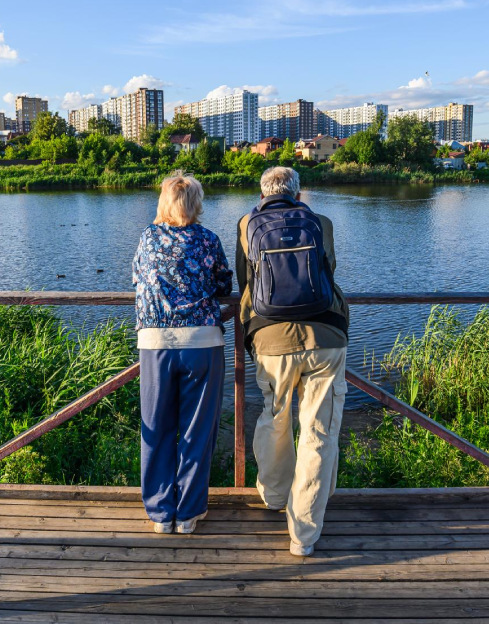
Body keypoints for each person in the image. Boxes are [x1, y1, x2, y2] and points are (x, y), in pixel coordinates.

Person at [235, 166, 349, 556]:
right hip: (325, 337)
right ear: (298, 194)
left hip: (270, 340)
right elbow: (328, 271)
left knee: (274, 416)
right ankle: (303, 536)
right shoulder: (321, 222)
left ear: (262, 192)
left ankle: (274, 496)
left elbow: (245, 284)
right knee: (318, 433)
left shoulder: (246, 223)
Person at [132, 171, 233, 535]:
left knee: (157, 428)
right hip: (202, 342)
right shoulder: (208, 239)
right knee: (197, 429)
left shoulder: (147, 238)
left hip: (156, 343)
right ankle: (188, 513)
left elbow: (137, 279)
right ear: (196, 203)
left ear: (163, 203)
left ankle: (161, 513)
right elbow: (224, 283)